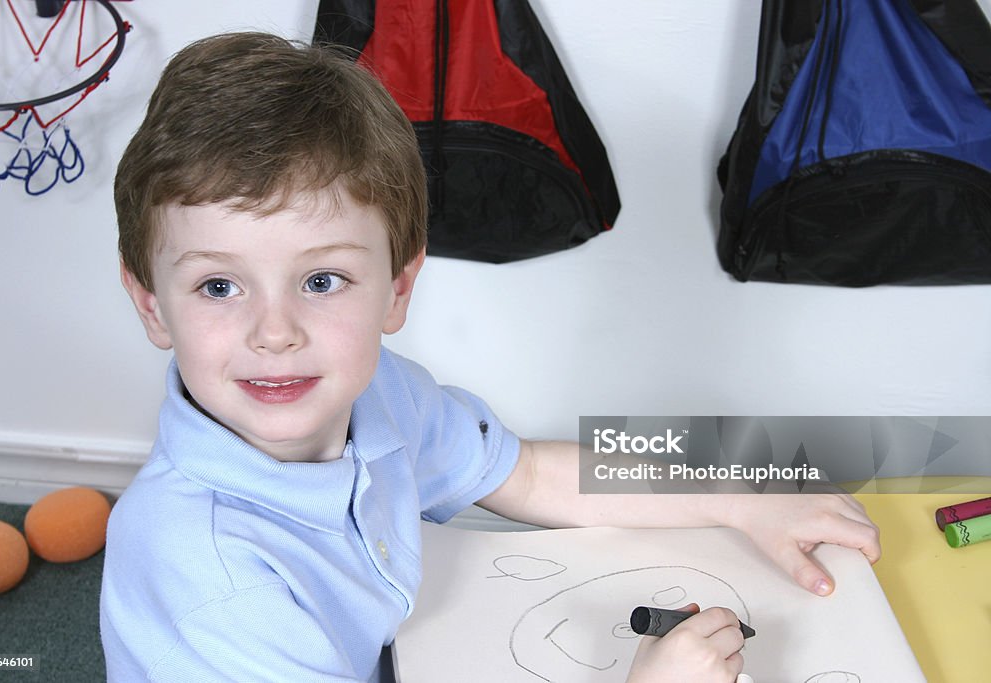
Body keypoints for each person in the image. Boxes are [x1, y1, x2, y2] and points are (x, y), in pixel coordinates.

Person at [100, 32, 880, 682]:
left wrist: (736, 492)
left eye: (322, 279)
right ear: (151, 304)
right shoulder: (214, 583)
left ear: (398, 290)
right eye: (218, 285)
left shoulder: (377, 398)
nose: (276, 331)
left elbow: (532, 473)